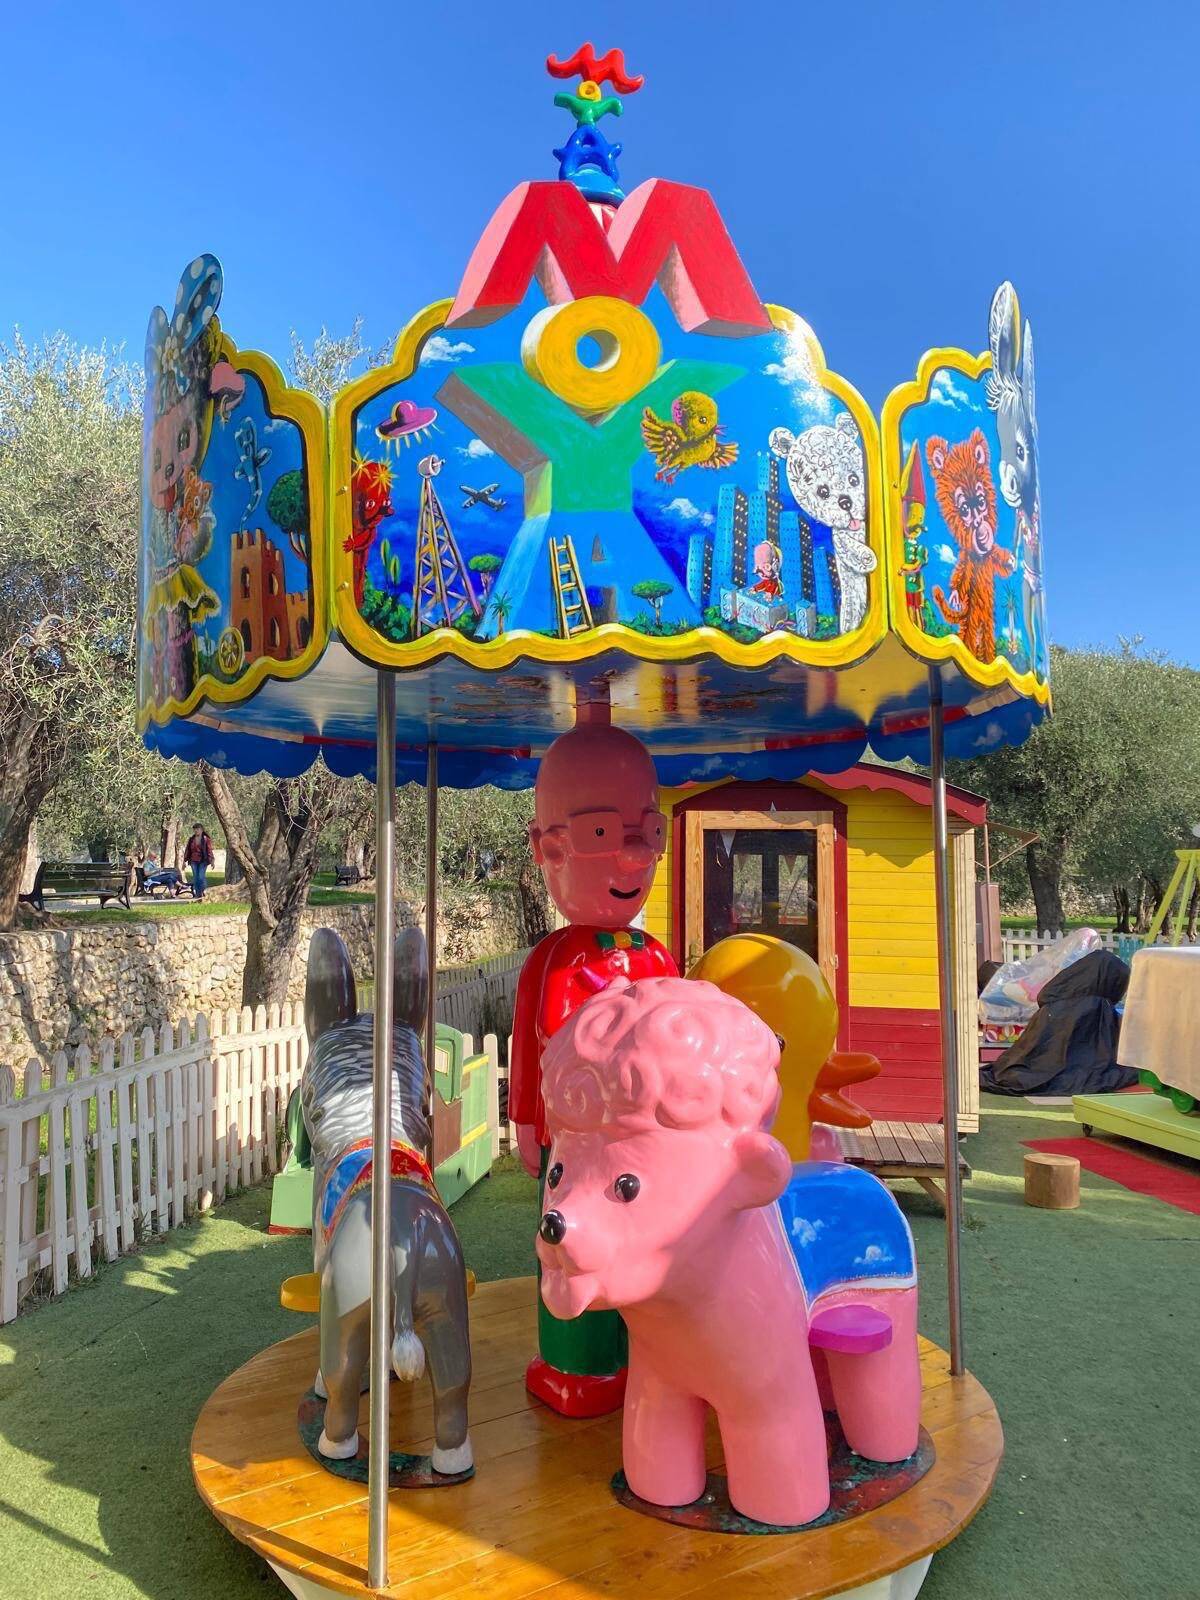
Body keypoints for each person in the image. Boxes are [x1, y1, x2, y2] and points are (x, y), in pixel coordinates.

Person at [183, 822, 214, 899]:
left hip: (203, 861)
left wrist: (212, 860)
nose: (196, 831)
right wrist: (184, 861)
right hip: (193, 860)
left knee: (201, 877)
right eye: (195, 829)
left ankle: (205, 894)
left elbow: (209, 850)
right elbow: (188, 850)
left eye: (198, 829)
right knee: (196, 878)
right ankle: (198, 895)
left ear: (202, 830)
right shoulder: (191, 839)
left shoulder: (206, 839)